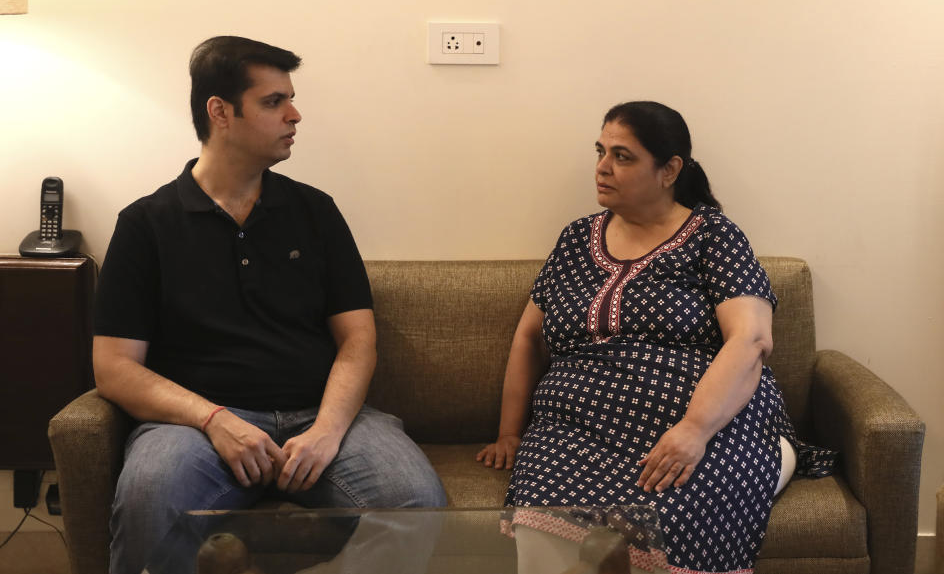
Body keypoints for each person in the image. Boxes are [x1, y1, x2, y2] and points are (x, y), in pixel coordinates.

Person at [93, 36, 445, 574]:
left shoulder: (315, 211)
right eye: (273, 101)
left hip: (318, 413)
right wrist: (214, 419)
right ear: (221, 112)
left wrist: (327, 429)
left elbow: (358, 339)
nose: (294, 114)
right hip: (193, 426)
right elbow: (114, 369)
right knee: (149, 497)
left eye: (290, 99)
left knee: (416, 502)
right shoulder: (146, 225)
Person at [478, 101, 835, 573]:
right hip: (574, 432)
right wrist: (509, 432)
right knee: (544, 521)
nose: (602, 167)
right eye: (600, 151)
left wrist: (693, 430)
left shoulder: (713, 236)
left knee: (676, 514)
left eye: (622, 156)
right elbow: (529, 338)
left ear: (669, 170)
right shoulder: (576, 238)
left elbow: (750, 340)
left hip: (706, 426)